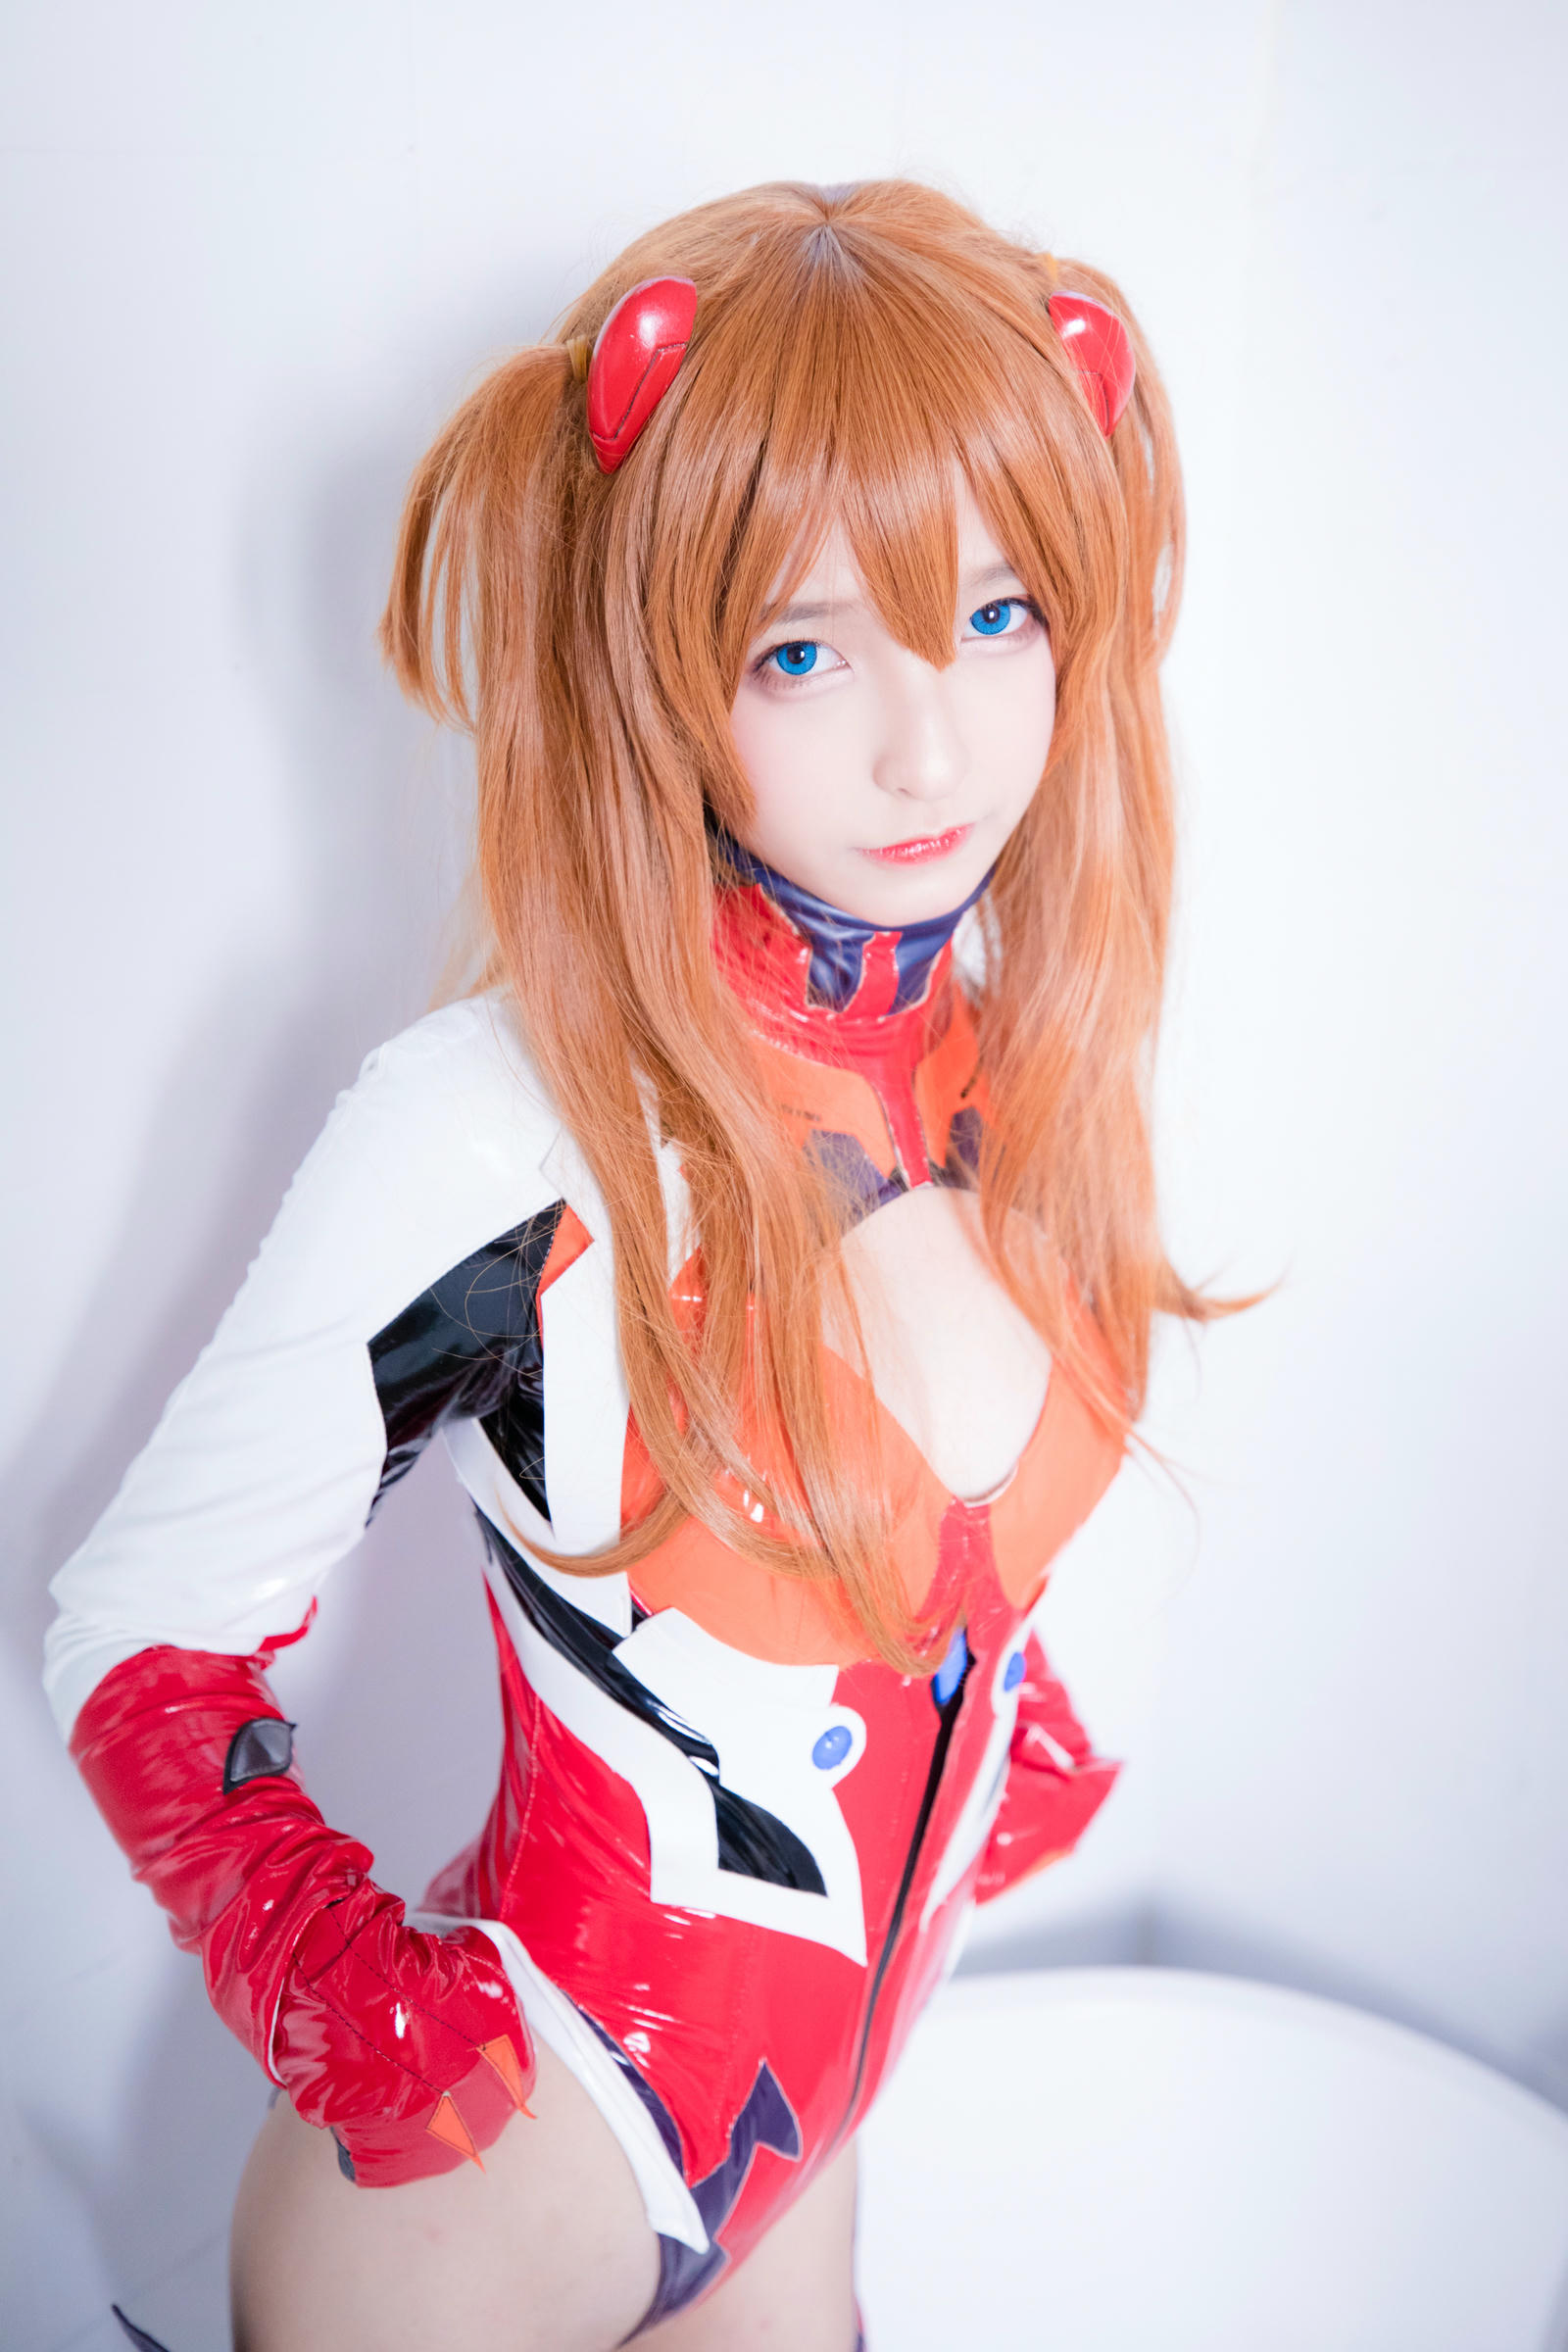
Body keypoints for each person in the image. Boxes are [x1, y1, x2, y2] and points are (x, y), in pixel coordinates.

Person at [45, 177, 1225, 2351]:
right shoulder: (503, 1128)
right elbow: (138, 1637)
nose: (929, 746)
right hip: (491, 2204)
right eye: (806, 650)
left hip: (812, 2172)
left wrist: (1025, 1760)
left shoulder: (1035, 1072)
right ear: (665, 666)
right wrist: (364, 2017)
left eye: (994, 614)